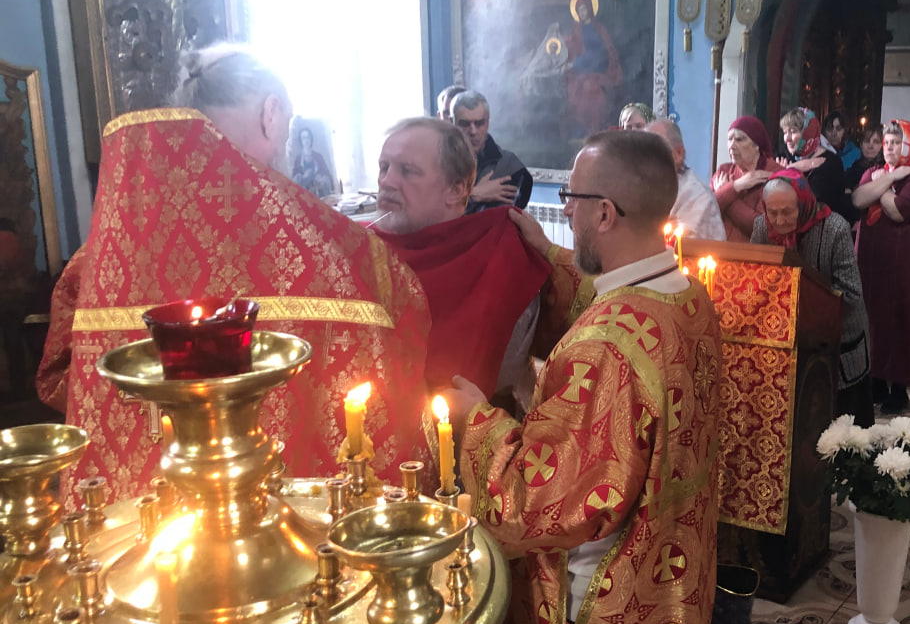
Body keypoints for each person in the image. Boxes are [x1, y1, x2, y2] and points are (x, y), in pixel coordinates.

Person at [443, 129, 722, 624]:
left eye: (571, 197)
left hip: (597, 614)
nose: (563, 209)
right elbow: (605, 302)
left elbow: (531, 506)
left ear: (605, 212)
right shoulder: (687, 300)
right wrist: (550, 256)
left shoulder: (604, 350)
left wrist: (476, 420)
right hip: (668, 590)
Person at [36, 44, 433, 505]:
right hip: (290, 516)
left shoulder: (101, 255)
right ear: (271, 114)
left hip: (135, 523)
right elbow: (404, 339)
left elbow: (59, 378)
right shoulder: (334, 249)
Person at [371, 117, 549, 401]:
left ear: (456, 190)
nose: (386, 182)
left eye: (408, 171)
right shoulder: (360, 249)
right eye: (384, 167)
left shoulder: (501, 254)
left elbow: (507, 371)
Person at [751, 170, 872, 425]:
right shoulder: (762, 227)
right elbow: (755, 278)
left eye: (787, 211)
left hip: (839, 342)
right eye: (772, 212)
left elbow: (851, 294)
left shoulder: (834, 228)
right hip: (788, 343)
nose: (779, 221)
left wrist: (802, 300)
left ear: (803, 204)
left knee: (845, 428)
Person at [852, 119, 910, 414]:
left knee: (903, 321)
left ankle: (899, 388)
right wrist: (890, 178)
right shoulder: (875, 171)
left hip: (906, 263)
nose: (889, 148)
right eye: (886, 143)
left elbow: (898, 210)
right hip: (873, 259)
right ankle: (876, 381)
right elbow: (858, 198)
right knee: (874, 319)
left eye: (896, 143)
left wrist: (882, 184)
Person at [450, 89, 533, 213]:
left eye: (479, 123)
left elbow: (495, 219)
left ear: (487, 123)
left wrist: (463, 199)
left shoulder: (508, 165)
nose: (473, 131)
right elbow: (431, 214)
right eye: (465, 124)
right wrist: (474, 195)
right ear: (451, 123)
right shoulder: (436, 162)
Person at [647, 117, 727, 240]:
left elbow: (686, 245)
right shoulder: (643, 189)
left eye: (653, 150)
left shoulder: (698, 196)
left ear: (678, 153)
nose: (645, 160)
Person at [778, 106, 856, 223]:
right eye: (785, 132)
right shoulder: (783, 157)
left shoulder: (830, 164)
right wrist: (791, 169)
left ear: (808, 131)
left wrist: (789, 174)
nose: (787, 139)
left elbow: (813, 209)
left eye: (793, 132)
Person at [712, 115, 782, 243]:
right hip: (717, 250)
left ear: (757, 145)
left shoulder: (775, 174)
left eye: (739, 139)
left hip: (756, 253)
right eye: (729, 139)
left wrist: (726, 194)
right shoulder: (724, 171)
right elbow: (707, 212)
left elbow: (761, 228)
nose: (731, 146)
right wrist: (735, 186)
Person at [564, 0, 622, 137]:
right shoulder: (577, 30)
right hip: (581, 72)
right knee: (581, 90)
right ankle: (582, 131)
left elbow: (604, 52)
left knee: (592, 89)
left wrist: (578, 62)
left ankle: (596, 130)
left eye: (584, 9)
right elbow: (573, 50)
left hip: (600, 70)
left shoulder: (599, 28)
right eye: (579, 10)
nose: (582, 13)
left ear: (590, 8)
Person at [289, 125, 335, 198]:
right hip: (304, 195)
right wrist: (303, 177)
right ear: (301, 140)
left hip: (319, 194)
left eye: (308, 137)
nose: (306, 140)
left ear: (311, 139)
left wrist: (321, 177)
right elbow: (293, 181)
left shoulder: (318, 157)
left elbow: (327, 175)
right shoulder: (298, 159)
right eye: (303, 138)